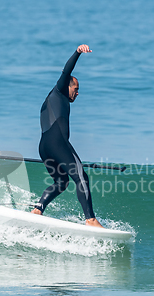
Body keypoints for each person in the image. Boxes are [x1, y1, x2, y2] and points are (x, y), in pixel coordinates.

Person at [31, 44, 104, 228]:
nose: (77, 93)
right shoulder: (59, 90)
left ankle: (38, 209)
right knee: (81, 177)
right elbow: (66, 70)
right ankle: (90, 219)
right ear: (68, 86)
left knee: (62, 182)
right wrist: (77, 52)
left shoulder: (51, 100)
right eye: (76, 89)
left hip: (44, 146)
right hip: (57, 143)